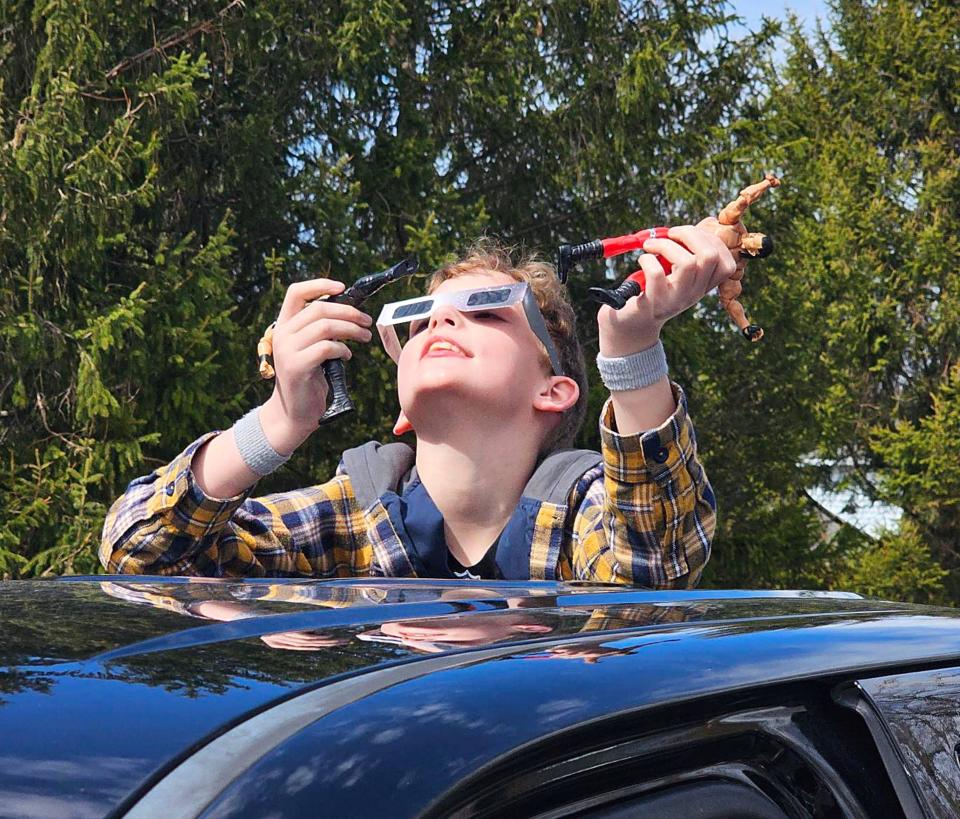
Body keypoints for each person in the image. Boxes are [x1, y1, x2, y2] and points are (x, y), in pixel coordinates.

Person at [100, 230, 733, 586]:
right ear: (403, 411)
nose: (444, 320)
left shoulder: (582, 511)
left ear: (553, 391)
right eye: (419, 320)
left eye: (486, 310)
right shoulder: (352, 515)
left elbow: (654, 561)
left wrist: (632, 351)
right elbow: (140, 550)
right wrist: (279, 423)